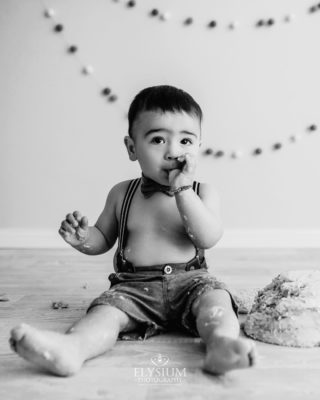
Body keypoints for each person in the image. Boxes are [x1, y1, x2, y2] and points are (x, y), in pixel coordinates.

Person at [9, 85, 256, 377]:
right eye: (158, 139)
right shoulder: (121, 194)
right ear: (132, 147)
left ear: (198, 147)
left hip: (192, 283)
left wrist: (183, 191)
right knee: (104, 314)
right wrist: (83, 238)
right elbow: (103, 238)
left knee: (217, 303)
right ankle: (72, 348)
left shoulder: (203, 193)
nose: (173, 151)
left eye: (186, 141)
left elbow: (207, 238)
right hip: (133, 288)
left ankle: (221, 345)